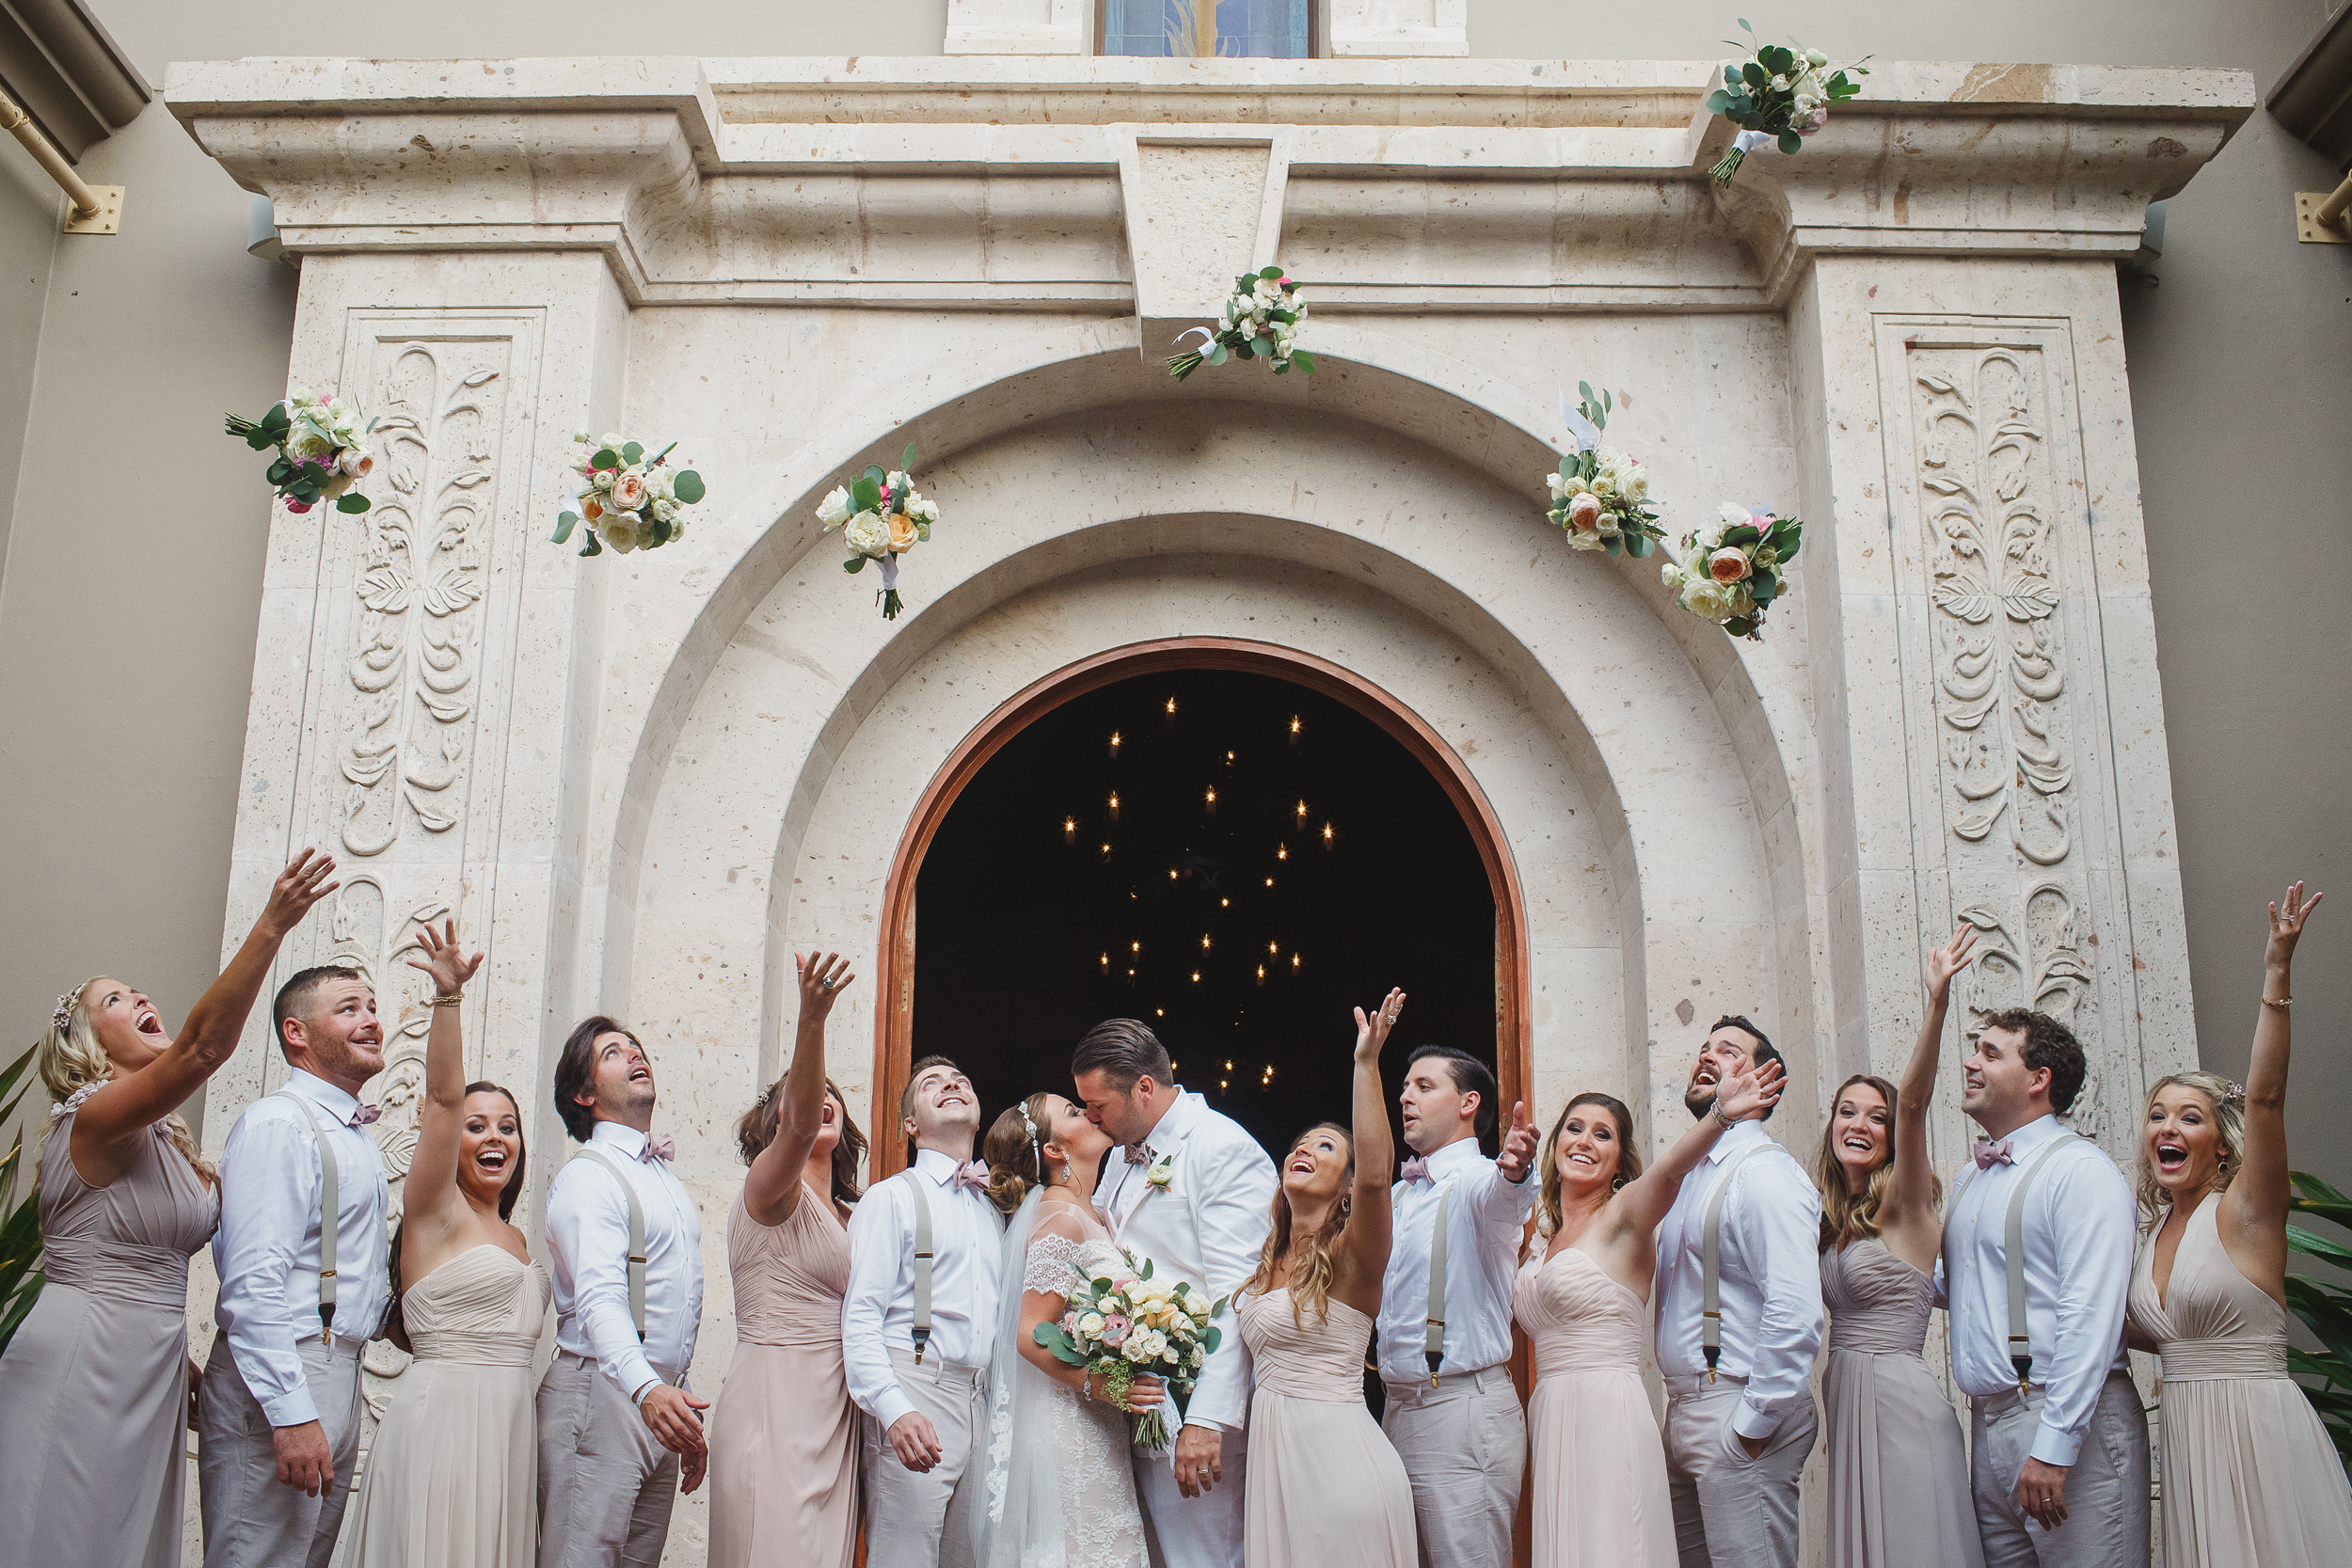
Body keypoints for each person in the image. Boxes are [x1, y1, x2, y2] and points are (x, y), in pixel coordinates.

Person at [0, 849, 335, 1568]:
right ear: (86, 1041)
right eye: (116, 1000)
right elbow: (204, 1046)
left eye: (138, 989)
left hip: (151, 1363)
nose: (140, 997)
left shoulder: (161, 1137)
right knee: (64, 1532)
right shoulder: (88, 1118)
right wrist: (272, 925)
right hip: (84, 1353)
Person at [2127, 880, 2352, 1566]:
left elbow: (2266, 1096)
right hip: (2190, 1444)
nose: (2169, 1126)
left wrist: (2277, 969)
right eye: (2158, 1114)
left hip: (2258, 1437)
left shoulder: (2246, 1211)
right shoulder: (2149, 1235)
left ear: (2220, 1142)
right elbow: (2124, 1325)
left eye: (2189, 1116)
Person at [1516, 1053, 1786, 1568]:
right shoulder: (1542, 1237)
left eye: (1603, 1135)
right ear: (1554, 1147)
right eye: (1574, 1128)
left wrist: (1720, 1115)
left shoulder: (1624, 1216)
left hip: (1605, 1411)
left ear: (1620, 1161)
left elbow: (1669, 1169)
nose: (1584, 1142)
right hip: (1551, 1411)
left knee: (1612, 1546)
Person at [342, 918, 544, 1567]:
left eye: (508, 1126)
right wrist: (449, 998)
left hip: (510, 1440)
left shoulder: (515, 1236)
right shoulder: (433, 1211)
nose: (494, 1137)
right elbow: (441, 1095)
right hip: (443, 1430)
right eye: (477, 1125)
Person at [199, 955, 395, 1568]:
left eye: (371, 1007)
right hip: (286, 1371)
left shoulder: (353, 1134)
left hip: (338, 1371)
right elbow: (253, 1286)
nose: (370, 1020)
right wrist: (290, 1412)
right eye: (348, 1008)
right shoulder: (278, 1125)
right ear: (296, 1031)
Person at [1942, 1006, 2146, 1568]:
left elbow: (2091, 1315)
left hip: (2068, 1420)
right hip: (1989, 1426)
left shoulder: (2082, 1171)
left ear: (2038, 1080)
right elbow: (1953, 1287)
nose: (1970, 1062)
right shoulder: (1970, 1177)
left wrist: (2056, 1447)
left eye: (1990, 1053)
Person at [1075, 1017, 1279, 1568]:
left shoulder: (1220, 1147)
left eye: (1098, 1105)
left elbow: (1238, 1294)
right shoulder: (1118, 1155)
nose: (1091, 1119)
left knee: (1208, 1557)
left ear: (1144, 1087)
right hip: (1139, 1401)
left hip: (1194, 1408)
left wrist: (1207, 1419)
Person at [1812, 926, 1984, 1568]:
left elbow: (1913, 1104)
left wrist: (1936, 1003)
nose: (1859, 1124)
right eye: (1847, 1111)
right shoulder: (1836, 1217)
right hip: (1850, 1399)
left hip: (1898, 1401)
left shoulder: (1904, 1205)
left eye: (1873, 1116)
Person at [1232, 990, 1417, 1567]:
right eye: (1301, 1144)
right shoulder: (1265, 1265)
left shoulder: (1354, 1257)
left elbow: (1377, 1178)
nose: (1306, 1148)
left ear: (1344, 1188)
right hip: (1274, 1470)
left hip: (1339, 1468)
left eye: (1327, 1146)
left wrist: (1366, 1066)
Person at [709, 951, 866, 1568]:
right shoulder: (768, 1191)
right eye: (808, 1091)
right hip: (774, 1402)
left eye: (834, 1091)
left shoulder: (860, 1215)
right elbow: (799, 1130)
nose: (823, 1096)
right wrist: (813, 1020)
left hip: (836, 1412)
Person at [1652, 1015, 1824, 1568]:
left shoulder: (1764, 1173)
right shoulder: (1690, 1175)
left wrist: (1751, 1426)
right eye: (1704, 1048)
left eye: (1728, 1051)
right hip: (1685, 1410)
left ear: (1765, 1078)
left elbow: (1796, 1310)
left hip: (1736, 1406)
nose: (1707, 1056)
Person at [537, 1016, 707, 1568]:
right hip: (599, 1395)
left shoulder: (663, 1177)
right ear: (584, 1093)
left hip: (653, 1397)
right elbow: (600, 1302)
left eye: (636, 1046)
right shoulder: (589, 1176)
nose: (636, 1054)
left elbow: (669, 1304)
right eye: (613, 1052)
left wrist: (676, 1402)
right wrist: (647, 1391)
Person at [969, 1090, 1155, 1568]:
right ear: (1054, 1150)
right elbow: (1029, 1333)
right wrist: (1106, 1386)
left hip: (1099, 1423)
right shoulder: (1060, 1219)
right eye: (1073, 1112)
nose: (1089, 1113)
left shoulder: (1093, 1212)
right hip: (1069, 1425)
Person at [1375, 1046, 1539, 1568]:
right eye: (1404, 1086)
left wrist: (1517, 1172)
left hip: (1461, 1413)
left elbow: (1505, 1199)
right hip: (1396, 1410)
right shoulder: (1401, 1197)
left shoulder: (1476, 1180)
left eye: (1424, 1086)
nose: (1406, 1096)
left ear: (1469, 1102)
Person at [842, 1055, 1005, 1568]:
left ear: (978, 1117)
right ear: (911, 1124)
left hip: (979, 1399)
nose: (952, 1083)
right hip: (915, 1388)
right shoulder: (891, 1198)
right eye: (932, 1083)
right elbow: (861, 1316)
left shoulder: (990, 1208)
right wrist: (894, 1409)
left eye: (961, 1080)